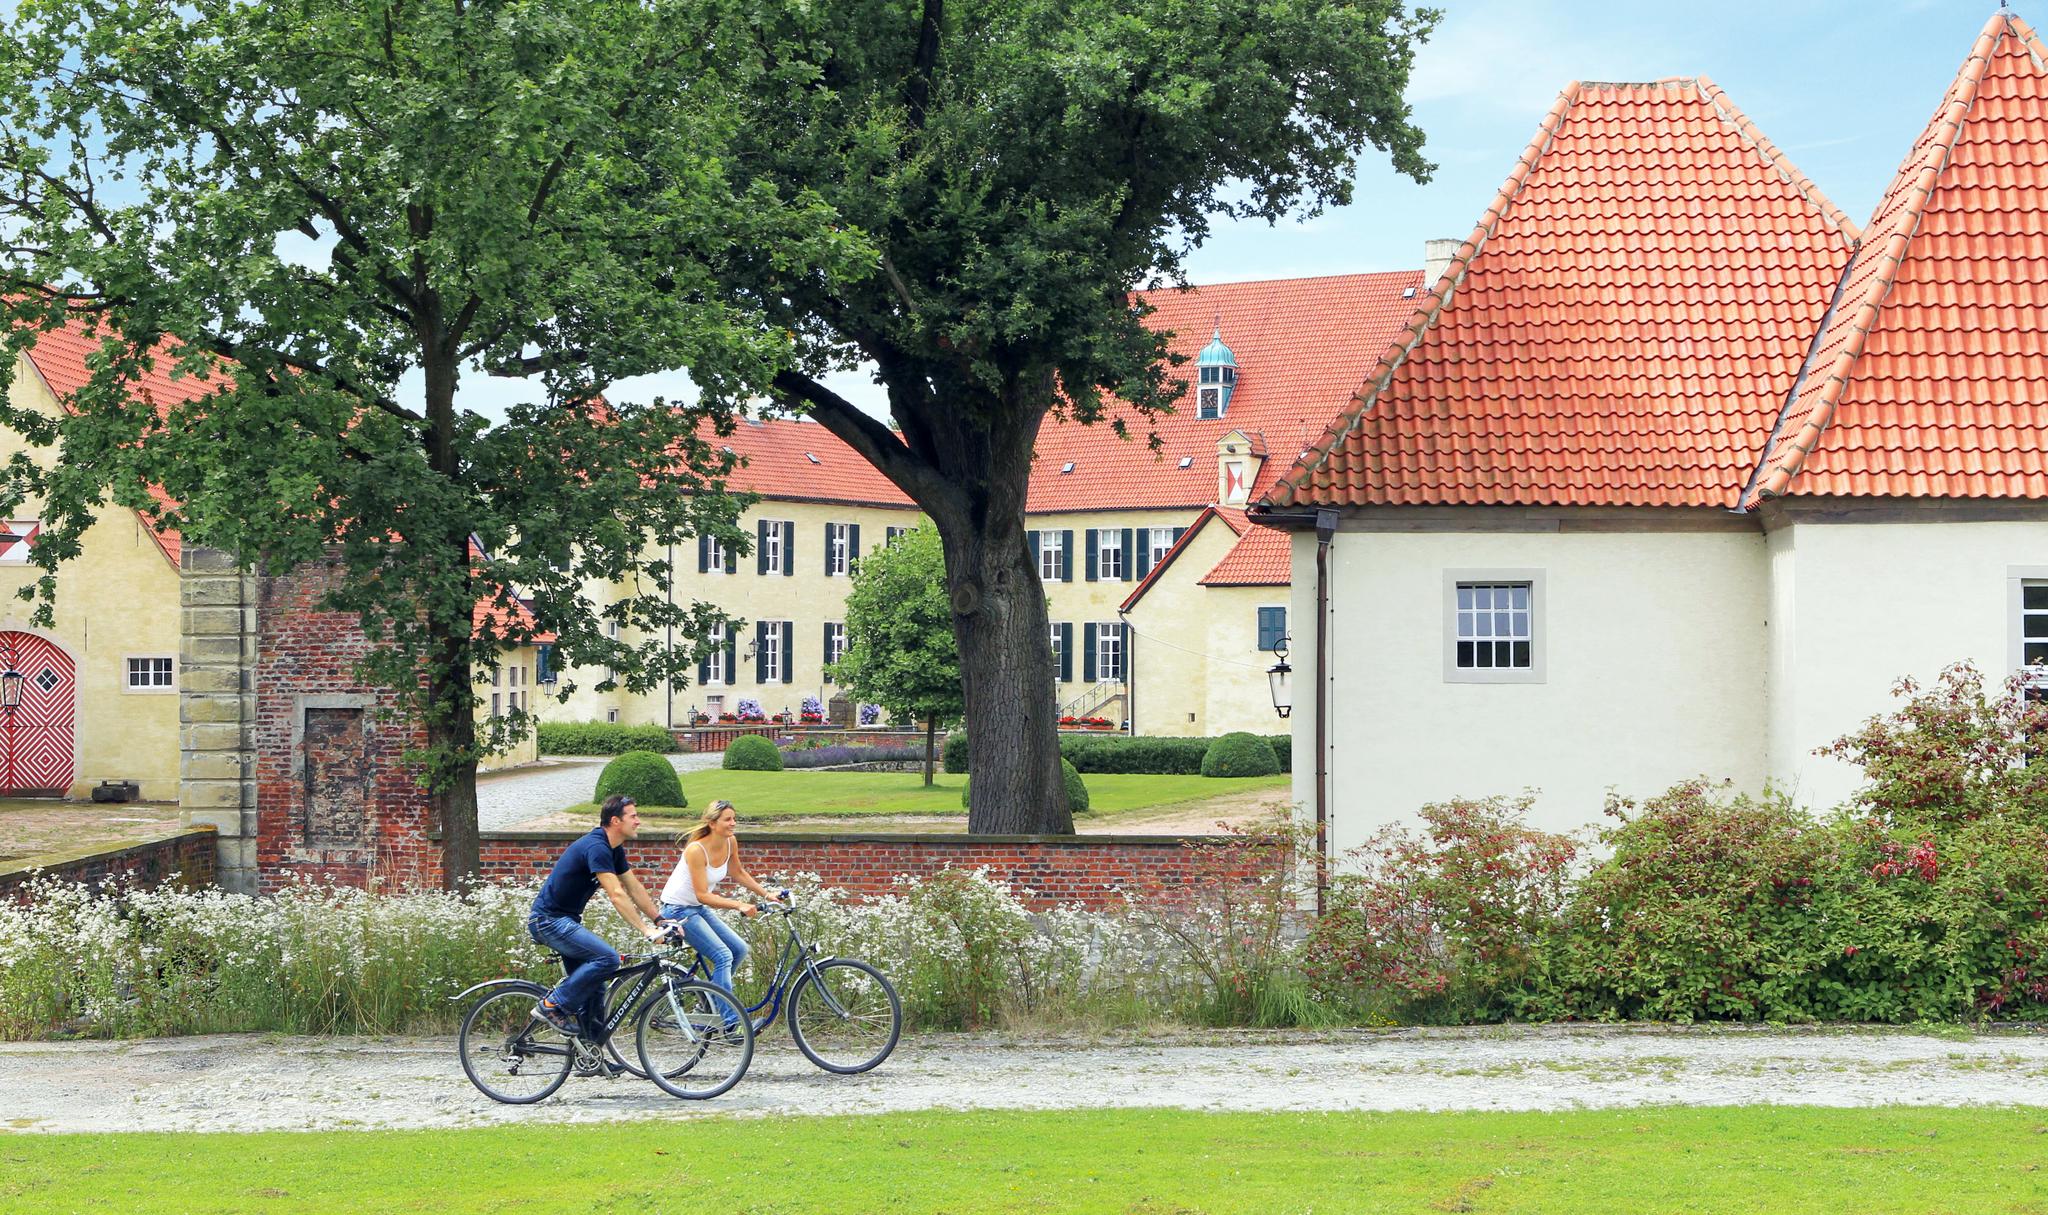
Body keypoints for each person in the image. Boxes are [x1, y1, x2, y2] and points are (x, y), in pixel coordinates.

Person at [527, 794, 667, 1038]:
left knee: (595, 987)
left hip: (566, 920)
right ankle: (550, 1006)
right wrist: (645, 930)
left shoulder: (613, 849)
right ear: (615, 821)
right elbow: (616, 894)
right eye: (633, 816)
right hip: (548, 920)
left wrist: (659, 920)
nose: (638, 821)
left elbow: (633, 888)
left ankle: (591, 1054)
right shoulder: (597, 847)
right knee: (608, 959)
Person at [658, 799, 782, 1023]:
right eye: (728, 819)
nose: (733, 823)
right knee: (723, 955)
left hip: (695, 908)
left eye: (734, 818)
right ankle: (731, 1025)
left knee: (739, 949)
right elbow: (702, 894)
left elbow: (739, 872)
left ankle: (711, 1001)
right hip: (677, 910)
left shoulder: (730, 841)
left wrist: (766, 894)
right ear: (712, 823)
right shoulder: (696, 850)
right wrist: (739, 904)